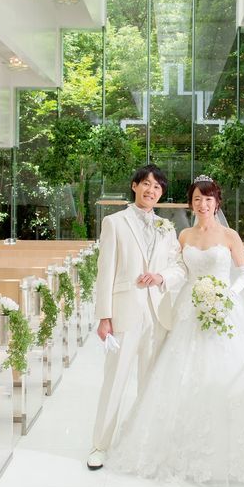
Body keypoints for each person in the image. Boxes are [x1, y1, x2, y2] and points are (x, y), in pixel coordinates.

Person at [106, 174, 244, 487]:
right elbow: (178, 269)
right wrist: (159, 278)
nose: (203, 204)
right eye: (197, 199)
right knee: (180, 370)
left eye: (208, 199)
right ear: (191, 204)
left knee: (227, 369)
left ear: (217, 202)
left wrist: (226, 294)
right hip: (189, 309)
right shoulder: (184, 235)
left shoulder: (230, 235)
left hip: (224, 307)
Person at [87, 164, 186, 471]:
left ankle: (145, 443)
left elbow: (180, 267)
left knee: (151, 383)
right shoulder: (114, 223)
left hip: (158, 314)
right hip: (124, 313)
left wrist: (161, 276)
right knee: (114, 381)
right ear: (134, 186)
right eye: (146, 184)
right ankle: (100, 446)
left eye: (157, 187)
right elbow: (105, 272)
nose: (151, 190)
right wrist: (104, 317)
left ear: (161, 193)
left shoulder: (167, 228)